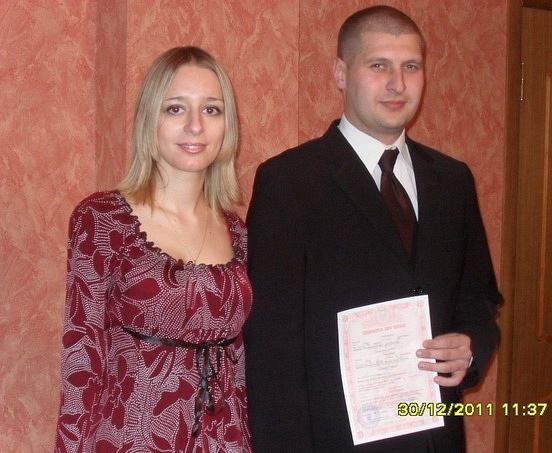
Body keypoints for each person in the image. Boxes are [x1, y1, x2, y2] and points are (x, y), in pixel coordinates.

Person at [244, 5, 501, 452]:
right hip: (335, 439)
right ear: (341, 73)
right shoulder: (289, 181)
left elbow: (478, 297)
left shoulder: (453, 179)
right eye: (379, 65)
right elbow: (271, 348)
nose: (397, 83)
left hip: (435, 436)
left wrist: (471, 345)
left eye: (411, 67)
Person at [55, 46, 252, 452]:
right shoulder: (102, 219)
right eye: (176, 109)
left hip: (226, 440)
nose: (195, 126)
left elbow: (241, 365)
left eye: (211, 110)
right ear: (150, 119)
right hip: (133, 438)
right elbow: (81, 358)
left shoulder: (236, 230)